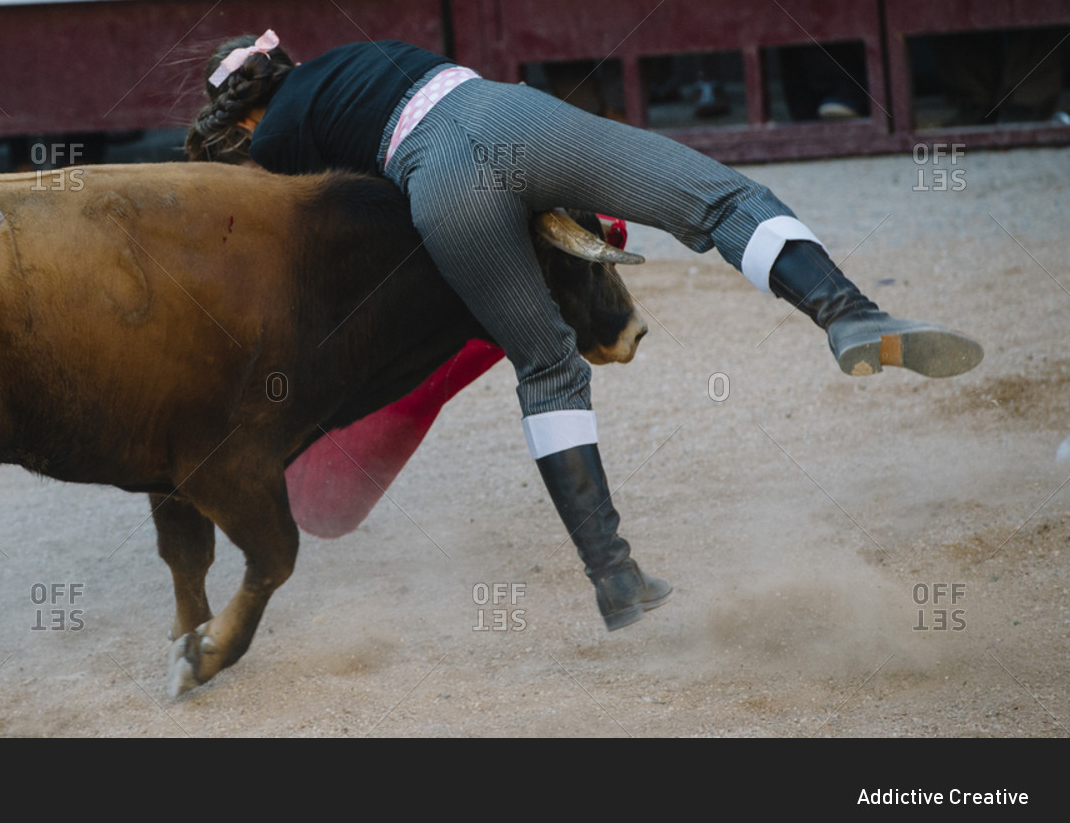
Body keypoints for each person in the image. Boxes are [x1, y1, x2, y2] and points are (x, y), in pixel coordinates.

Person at [185, 32, 983, 632]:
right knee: (718, 201)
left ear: (243, 111)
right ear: (285, 58)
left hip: (437, 185)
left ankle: (617, 579)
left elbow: (338, 243)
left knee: (547, 367)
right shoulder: (363, 53)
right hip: (508, 112)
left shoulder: (275, 136)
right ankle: (848, 315)